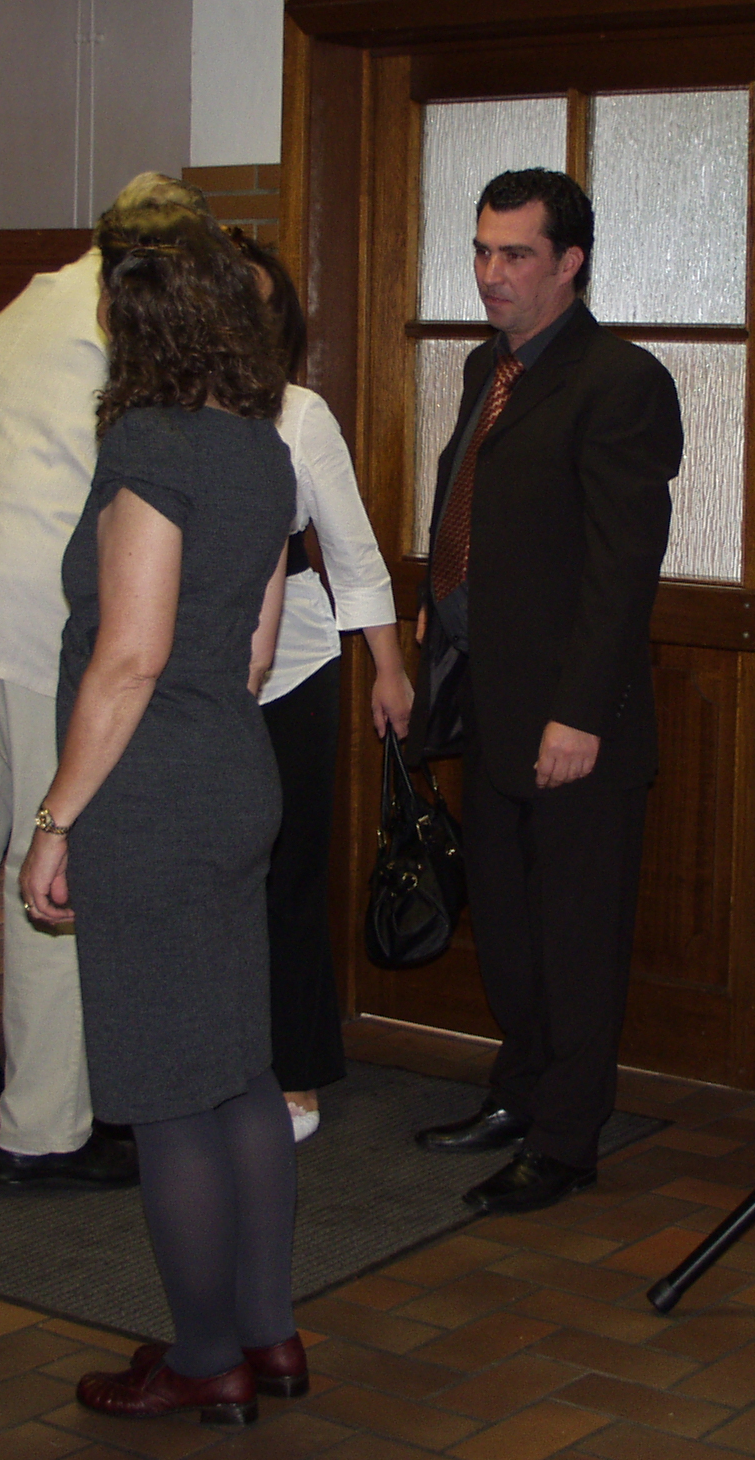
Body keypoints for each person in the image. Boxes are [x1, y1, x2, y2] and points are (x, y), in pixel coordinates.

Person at [19, 206, 299, 1425]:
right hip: (234, 771)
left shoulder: (149, 445)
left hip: (153, 793)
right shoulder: (262, 449)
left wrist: (56, 820)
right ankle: (268, 1334)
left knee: (171, 1091)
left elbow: (127, 659)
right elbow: (254, 649)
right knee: (239, 1073)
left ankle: (203, 1358)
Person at [0, 172, 208, 1187]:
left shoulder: (28, 302)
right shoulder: (129, 320)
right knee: (55, 861)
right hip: (31, 614)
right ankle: (45, 1129)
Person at [410, 168, 683, 1216]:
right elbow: (473, 510)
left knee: (574, 940)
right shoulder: (489, 365)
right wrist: (434, 614)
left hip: (574, 719)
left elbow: (621, 569)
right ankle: (518, 1094)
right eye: (482, 250)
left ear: (570, 262)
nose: (491, 272)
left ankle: (565, 1140)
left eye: (515, 254)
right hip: (487, 699)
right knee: (510, 928)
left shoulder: (620, 382)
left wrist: (579, 713)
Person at [230, 231, 413, 1143]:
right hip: (187, 667)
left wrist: (389, 666)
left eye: (260, 308)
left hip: (295, 663)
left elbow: (353, 552)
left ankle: (296, 1073)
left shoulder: (300, 414)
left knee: (289, 873)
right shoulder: (159, 409)